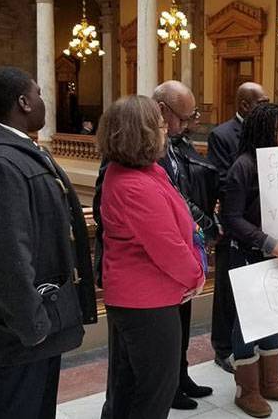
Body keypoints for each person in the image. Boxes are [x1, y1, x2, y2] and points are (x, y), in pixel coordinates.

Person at [0, 66, 97, 419]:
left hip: (36, 326)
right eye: (38, 94)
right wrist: (33, 327)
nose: (43, 100)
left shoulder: (18, 152)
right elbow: (4, 259)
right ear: (23, 102)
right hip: (17, 334)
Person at [98, 95, 205, 419]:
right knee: (155, 389)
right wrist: (197, 276)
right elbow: (168, 247)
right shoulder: (133, 185)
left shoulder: (142, 172)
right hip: (145, 302)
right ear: (140, 133)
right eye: (159, 126)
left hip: (142, 298)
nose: (165, 132)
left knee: (131, 386)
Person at [222, 103, 278, 417]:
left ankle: (270, 381)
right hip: (248, 254)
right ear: (262, 131)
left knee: (275, 314)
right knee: (249, 321)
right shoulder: (242, 166)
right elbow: (231, 219)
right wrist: (266, 241)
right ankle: (247, 390)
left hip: (277, 254)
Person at [153, 81, 218, 409]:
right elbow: (174, 197)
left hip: (186, 248)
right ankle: (170, 386)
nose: (189, 124)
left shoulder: (178, 141)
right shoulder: (147, 146)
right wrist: (206, 224)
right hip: (163, 256)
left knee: (183, 319)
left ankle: (181, 375)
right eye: (184, 116)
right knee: (166, 332)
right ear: (162, 110)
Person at [207, 82, 269, 373]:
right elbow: (221, 179)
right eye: (262, 101)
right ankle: (223, 348)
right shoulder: (221, 135)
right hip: (234, 224)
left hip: (261, 225)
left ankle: (253, 349)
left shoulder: (268, 137)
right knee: (227, 292)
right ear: (245, 105)